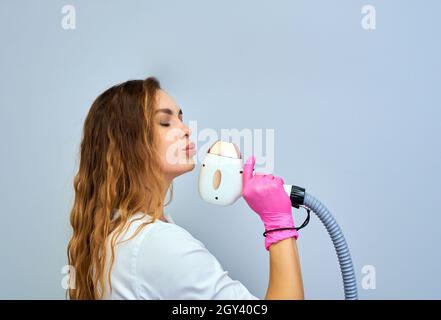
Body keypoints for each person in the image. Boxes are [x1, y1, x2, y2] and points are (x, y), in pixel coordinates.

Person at [67, 77, 304, 300]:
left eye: (181, 118)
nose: (186, 129)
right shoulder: (157, 244)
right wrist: (279, 224)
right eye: (165, 122)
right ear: (129, 144)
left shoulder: (118, 234)